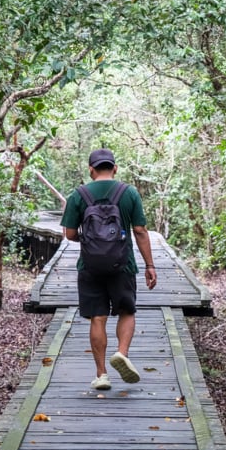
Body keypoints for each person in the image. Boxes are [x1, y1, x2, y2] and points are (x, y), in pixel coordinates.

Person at [61, 148, 158, 390]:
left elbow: (69, 234)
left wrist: (90, 240)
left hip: (89, 266)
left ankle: (102, 374)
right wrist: (150, 265)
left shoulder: (78, 195)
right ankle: (121, 353)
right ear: (115, 168)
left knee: (98, 317)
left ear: (91, 170)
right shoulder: (129, 193)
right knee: (127, 311)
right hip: (123, 264)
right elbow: (140, 231)